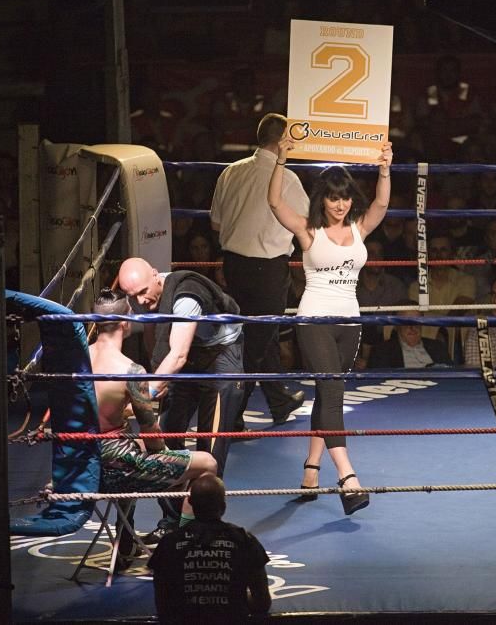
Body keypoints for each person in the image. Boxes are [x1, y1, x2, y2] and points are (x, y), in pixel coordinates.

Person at [268, 135, 393, 515]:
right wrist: (281, 159)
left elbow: (383, 202)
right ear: (322, 198)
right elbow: (275, 202)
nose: (340, 205)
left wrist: (385, 167)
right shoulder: (308, 231)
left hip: (349, 321)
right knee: (333, 389)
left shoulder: (359, 228)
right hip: (314, 319)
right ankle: (348, 478)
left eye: (346, 198)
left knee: (327, 393)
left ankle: (310, 470)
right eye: (333, 198)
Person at [117, 257, 244, 540]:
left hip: (219, 358)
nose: (140, 299)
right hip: (184, 358)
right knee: (163, 440)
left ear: (155, 275)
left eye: (142, 291)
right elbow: (159, 342)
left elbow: (178, 354)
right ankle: (173, 523)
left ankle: (198, 531)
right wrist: (157, 377)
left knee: (209, 453)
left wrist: (142, 397)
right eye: (132, 296)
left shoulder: (186, 295)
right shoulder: (147, 297)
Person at [209, 112, 308, 432]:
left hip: (233, 267)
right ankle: (232, 415)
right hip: (267, 270)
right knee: (256, 341)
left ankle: (279, 399)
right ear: (282, 142)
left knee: (255, 336)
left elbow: (216, 223)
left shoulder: (230, 172)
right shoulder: (288, 180)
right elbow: (307, 227)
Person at [148, 474, 270, 624]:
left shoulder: (169, 543)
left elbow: (162, 605)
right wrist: (235, 604)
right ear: (223, 506)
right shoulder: (244, 541)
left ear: (191, 504)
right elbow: (262, 602)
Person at [367, 304, 452, 369]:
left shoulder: (437, 346)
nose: (412, 327)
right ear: (397, 326)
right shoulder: (382, 351)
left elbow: (451, 373)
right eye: (406, 322)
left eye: (416, 321)